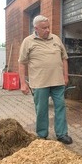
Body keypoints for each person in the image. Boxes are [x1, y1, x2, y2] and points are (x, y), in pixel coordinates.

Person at [18, 15, 72, 145]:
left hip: (58, 82)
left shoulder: (56, 39)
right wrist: (23, 83)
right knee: (41, 109)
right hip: (40, 83)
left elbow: (64, 58)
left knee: (60, 107)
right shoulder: (28, 41)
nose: (48, 30)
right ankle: (42, 135)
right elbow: (21, 63)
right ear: (36, 28)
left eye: (48, 27)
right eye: (44, 28)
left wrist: (66, 76)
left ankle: (62, 134)